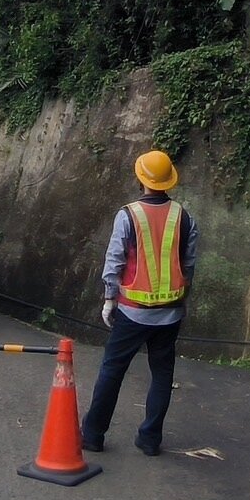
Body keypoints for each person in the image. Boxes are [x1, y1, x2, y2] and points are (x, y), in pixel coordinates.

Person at [81, 149, 198, 457]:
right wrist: (181, 301)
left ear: (140, 178)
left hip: (132, 312)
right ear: (168, 180)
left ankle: (93, 435)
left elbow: (114, 259)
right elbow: (189, 265)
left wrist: (109, 298)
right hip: (170, 313)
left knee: (112, 369)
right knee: (162, 374)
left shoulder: (128, 215)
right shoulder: (184, 216)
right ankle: (149, 439)